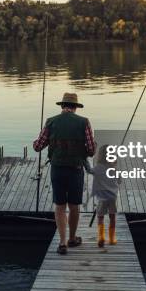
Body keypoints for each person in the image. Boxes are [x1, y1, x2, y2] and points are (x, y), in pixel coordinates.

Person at [33, 92, 96, 255]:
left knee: (60, 206)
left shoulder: (51, 121)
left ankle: (62, 243)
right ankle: (72, 238)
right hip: (75, 170)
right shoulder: (84, 122)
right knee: (74, 205)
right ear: (75, 107)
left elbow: (37, 146)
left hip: (57, 169)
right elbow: (90, 151)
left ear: (62, 106)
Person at [90, 145, 120, 247]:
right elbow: (119, 181)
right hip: (112, 197)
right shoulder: (114, 169)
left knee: (100, 217)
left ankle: (101, 237)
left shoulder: (97, 168)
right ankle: (111, 239)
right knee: (112, 217)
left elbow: (90, 171)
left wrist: (84, 163)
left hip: (102, 198)